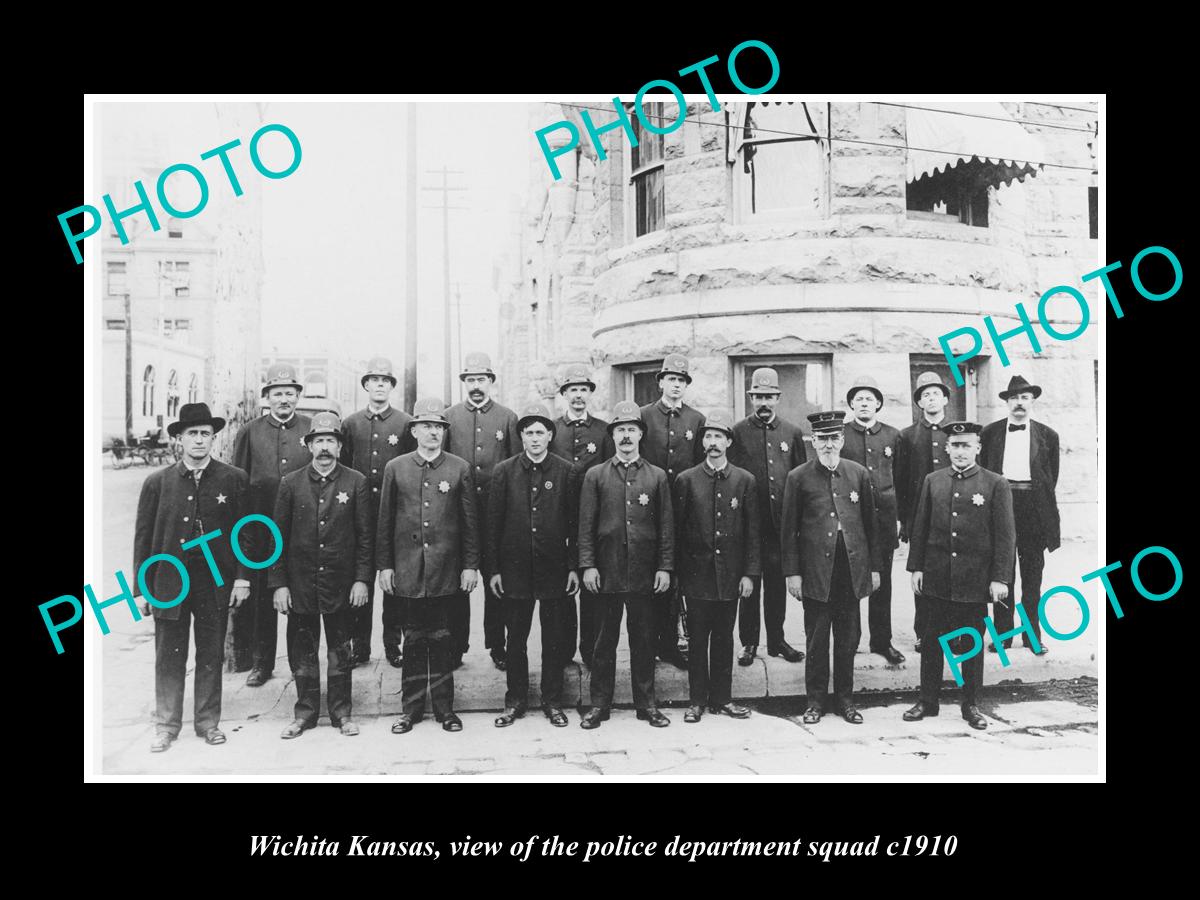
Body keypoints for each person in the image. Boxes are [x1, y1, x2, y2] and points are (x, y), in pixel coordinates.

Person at [133, 403, 251, 752]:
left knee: (211, 652)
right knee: (169, 653)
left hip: (214, 579)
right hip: (170, 580)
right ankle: (166, 725)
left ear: (213, 438)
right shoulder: (158, 482)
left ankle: (207, 722)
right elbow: (143, 538)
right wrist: (142, 590)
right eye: (192, 434)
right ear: (178, 440)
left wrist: (242, 579)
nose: (199, 440)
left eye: (205, 434)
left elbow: (245, 534)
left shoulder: (233, 479)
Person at [377, 397, 480, 734]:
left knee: (442, 639)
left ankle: (444, 709)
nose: (433, 432)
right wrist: (386, 566)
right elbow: (385, 522)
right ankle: (410, 710)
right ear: (414, 430)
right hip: (408, 570)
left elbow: (469, 522)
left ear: (444, 432)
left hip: (446, 571)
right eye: (426, 426)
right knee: (413, 640)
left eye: (438, 427)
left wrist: (469, 565)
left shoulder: (458, 467)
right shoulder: (397, 467)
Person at [904, 422, 1016, 730]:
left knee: (970, 643)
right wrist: (916, 568)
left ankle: (971, 703)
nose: (961, 451)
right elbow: (920, 527)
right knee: (931, 641)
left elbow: (1006, 537)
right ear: (947, 448)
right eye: (955, 445)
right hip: (936, 577)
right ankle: (928, 701)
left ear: (978, 448)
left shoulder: (995, 483)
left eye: (967, 445)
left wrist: (1000, 578)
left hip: (974, 580)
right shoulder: (933, 481)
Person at [271, 412, 373, 739]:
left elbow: (365, 537)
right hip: (300, 584)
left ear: (340, 447)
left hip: (341, 585)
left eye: (331, 441)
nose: (325, 448)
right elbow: (278, 539)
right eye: (319, 441)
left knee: (341, 653)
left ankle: (342, 714)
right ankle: (305, 714)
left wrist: (361, 580)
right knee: (303, 652)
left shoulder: (355, 482)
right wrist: (280, 585)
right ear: (309, 445)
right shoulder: (290, 483)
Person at [578, 400, 675, 729]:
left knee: (644, 640)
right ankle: (599, 705)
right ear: (613, 436)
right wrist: (588, 565)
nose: (626, 437)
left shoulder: (657, 476)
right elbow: (586, 526)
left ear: (640, 435)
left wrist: (664, 567)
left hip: (644, 574)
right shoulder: (596, 475)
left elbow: (666, 527)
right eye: (620, 431)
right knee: (603, 642)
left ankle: (646, 704)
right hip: (606, 573)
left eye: (631, 430)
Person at [782, 411, 881, 725]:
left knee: (848, 638)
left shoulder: (858, 474)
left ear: (842, 439)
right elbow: (788, 531)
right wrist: (793, 573)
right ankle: (814, 702)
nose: (827, 444)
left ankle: (845, 700)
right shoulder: (798, 477)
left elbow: (871, 526)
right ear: (813, 441)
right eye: (821, 438)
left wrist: (874, 569)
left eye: (832, 438)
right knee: (817, 638)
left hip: (849, 569)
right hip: (815, 572)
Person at [486, 403, 579, 728]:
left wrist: (572, 567)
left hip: (554, 569)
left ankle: (552, 701)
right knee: (517, 640)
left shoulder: (566, 471)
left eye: (541, 432)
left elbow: (574, 525)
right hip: (514, 571)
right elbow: (492, 525)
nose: (535, 438)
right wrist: (494, 570)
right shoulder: (504, 471)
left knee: (553, 638)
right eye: (529, 433)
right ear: (521, 436)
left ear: (551, 435)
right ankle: (515, 701)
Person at [673, 410, 760, 723]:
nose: (713, 443)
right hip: (696, 576)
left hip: (730, 576)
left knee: (724, 637)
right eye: (708, 437)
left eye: (718, 437)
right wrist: (679, 577)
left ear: (728, 442)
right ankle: (697, 700)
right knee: (697, 639)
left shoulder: (744, 480)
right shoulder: (686, 480)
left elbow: (753, 533)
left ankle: (722, 699)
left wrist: (750, 574)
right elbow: (677, 533)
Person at [232, 362, 312, 686]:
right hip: (261, 528)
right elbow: (239, 481)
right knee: (263, 600)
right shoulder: (249, 432)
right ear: (267, 397)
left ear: (297, 396)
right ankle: (262, 663)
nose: (284, 400)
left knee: (299, 599)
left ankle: (300, 665)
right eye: (277, 393)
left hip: (301, 530)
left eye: (290, 393)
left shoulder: (311, 428)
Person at [444, 351, 521, 671]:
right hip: (456, 512)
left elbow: (516, 466)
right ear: (464, 383)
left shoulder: (507, 417)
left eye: (481, 380)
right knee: (458, 580)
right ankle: (456, 645)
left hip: (494, 514)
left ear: (491, 382)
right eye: (470, 380)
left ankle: (497, 644)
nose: (476, 386)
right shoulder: (449, 416)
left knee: (495, 581)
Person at [340, 356, 415, 668]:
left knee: (392, 582)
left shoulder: (404, 422)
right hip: (357, 514)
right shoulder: (351, 423)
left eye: (386, 381)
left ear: (391, 387)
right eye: (375, 380)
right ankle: (360, 646)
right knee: (360, 580)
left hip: (394, 515)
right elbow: (342, 467)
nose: (380, 385)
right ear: (367, 385)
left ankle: (392, 644)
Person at [729, 366, 807, 666]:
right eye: (758, 396)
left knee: (776, 586)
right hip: (748, 526)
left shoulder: (792, 433)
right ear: (751, 398)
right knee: (749, 584)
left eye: (769, 397)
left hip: (780, 527)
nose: (764, 402)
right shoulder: (737, 432)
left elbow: (801, 479)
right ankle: (748, 642)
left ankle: (777, 640)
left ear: (778, 398)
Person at [980, 375, 1060, 656]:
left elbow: (1051, 478)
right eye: (1013, 398)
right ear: (1006, 402)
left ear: (1032, 401)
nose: (1019, 403)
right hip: (1001, 505)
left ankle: (1031, 635)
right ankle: (1003, 635)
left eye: (1024, 398)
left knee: (1032, 575)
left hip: (1033, 509)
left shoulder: (1048, 435)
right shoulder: (989, 434)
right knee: (1002, 572)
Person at [639, 354, 705, 669]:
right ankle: (649, 643)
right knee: (650, 577)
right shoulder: (643, 415)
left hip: (681, 510)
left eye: (682, 380)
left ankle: (672, 642)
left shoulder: (696, 420)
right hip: (646, 508)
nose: (676, 385)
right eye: (671, 379)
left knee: (675, 577)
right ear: (661, 382)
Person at [550, 363, 615, 666]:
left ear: (590, 394)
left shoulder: (602, 431)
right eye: (572, 390)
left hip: (594, 520)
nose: (578, 396)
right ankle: (562, 651)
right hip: (559, 520)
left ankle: (590, 650)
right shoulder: (552, 429)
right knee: (563, 587)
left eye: (583, 390)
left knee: (592, 587)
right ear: (564, 394)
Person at [840, 375, 905, 665]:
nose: (864, 403)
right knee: (850, 582)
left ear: (878, 403)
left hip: (883, 520)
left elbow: (902, 479)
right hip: (852, 521)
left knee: (883, 583)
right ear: (851, 404)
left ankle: (881, 641)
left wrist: (901, 517)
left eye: (869, 399)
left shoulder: (893, 435)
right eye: (858, 399)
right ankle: (849, 639)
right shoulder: (842, 435)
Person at [894, 371, 952, 653]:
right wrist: (905, 520)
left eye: (936, 393)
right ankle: (924, 632)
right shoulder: (906, 436)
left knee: (953, 571)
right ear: (919, 402)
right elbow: (901, 482)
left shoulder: (957, 431)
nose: (931, 398)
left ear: (945, 399)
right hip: (920, 516)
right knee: (921, 573)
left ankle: (952, 632)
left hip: (955, 513)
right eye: (925, 394)